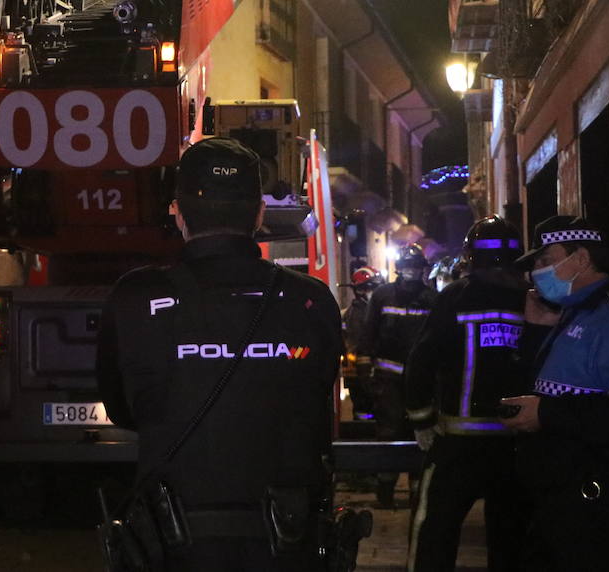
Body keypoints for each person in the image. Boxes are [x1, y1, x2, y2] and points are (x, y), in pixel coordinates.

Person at [96, 137, 344, 570]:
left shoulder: (134, 298)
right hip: (287, 541)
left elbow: (122, 409)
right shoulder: (311, 300)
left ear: (177, 212)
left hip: (174, 543)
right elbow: (318, 400)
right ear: (260, 214)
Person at [500, 215, 609, 571]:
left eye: (546, 260)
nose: (537, 272)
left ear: (581, 258)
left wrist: (545, 414)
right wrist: (533, 331)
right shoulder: (574, 314)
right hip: (560, 504)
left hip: (598, 509)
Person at [403, 216, 529, 571]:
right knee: (511, 538)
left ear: (470, 256)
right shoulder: (530, 299)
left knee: (434, 532)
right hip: (516, 444)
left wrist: (422, 419)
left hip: (458, 442)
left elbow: (422, 360)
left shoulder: (455, 297)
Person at [361, 244, 437, 508]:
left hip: (422, 381)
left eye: (415, 268)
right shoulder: (382, 296)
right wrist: (364, 375)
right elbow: (368, 335)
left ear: (423, 270)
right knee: (389, 431)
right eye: (407, 268)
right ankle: (385, 490)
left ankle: (418, 491)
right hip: (388, 378)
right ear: (398, 269)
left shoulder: (432, 300)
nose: (411, 273)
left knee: (421, 431)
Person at [340, 262, 381, 421]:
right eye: (371, 287)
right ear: (360, 290)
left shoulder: (364, 310)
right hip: (359, 371)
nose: (374, 292)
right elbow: (359, 344)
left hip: (359, 371)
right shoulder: (358, 313)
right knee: (365, 408)